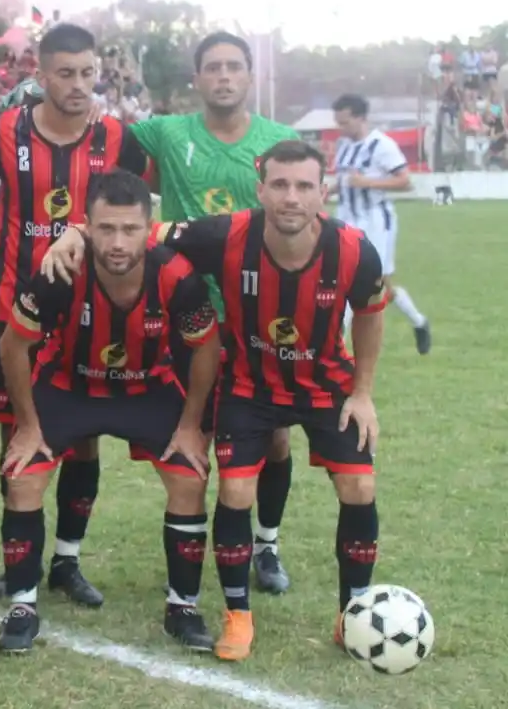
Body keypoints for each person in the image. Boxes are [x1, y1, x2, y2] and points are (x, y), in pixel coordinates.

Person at [43, 140, 387, 661]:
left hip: (324, 383)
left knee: (359, 485)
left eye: (303, 186)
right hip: (247, 384)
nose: (290, 198)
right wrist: (72, 231)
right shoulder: (226, 234)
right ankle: (237, 616)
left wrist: (362, 393)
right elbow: (138, 230)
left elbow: (370, 313)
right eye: (279, 185)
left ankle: (354, 616)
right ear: (260, 188)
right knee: (235, 491)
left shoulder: (355, 249)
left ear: (324, 191)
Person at [0, 23, 151, 606]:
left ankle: (67, 560)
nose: (79, 85)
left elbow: (139, 206)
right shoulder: (6, 130)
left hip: (87, 311)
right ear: (41, 76)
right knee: (14, 429)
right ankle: (21, 558)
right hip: (13, 301)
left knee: (83, 435)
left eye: (88, 73)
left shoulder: (118, 136)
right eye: (65, 73)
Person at [0, 170, 219, 654]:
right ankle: (22, 604)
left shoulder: (177, 276)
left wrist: (189, 427)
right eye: (105, 229)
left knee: (189, 475)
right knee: (22, 474)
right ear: (86, 227)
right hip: (69, 385)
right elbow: (13, 345)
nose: (117, 242)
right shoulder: (60, 272)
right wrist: (28, 426)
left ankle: (182, 607)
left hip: (147, 388)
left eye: (130, 229)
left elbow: (206, 349)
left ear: (150, 226)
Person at [127, 32, 305, 595]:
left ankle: (266, 544)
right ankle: (194, 549)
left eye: (234, 67)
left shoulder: (281, 140)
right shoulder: (164, 132)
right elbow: (97, 147)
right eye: (212, 68)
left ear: (249, 76)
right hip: (185, 313)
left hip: (260, 316)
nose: (223, 76)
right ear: (197, 79)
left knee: (273, 439)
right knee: (193, 435)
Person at [330, 94, 431, 352]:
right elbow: (344, 181)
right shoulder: (343, 145)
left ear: (361, 118)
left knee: (373, 281)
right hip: (346, 219)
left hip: (376, 221)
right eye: (338, 123)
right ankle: (340, 342)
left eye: (345, 122)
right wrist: (325, 191)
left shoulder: (382, 145)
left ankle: (417, 322)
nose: (341, 128)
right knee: (352, 278)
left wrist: (368, 183)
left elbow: (405, 181)